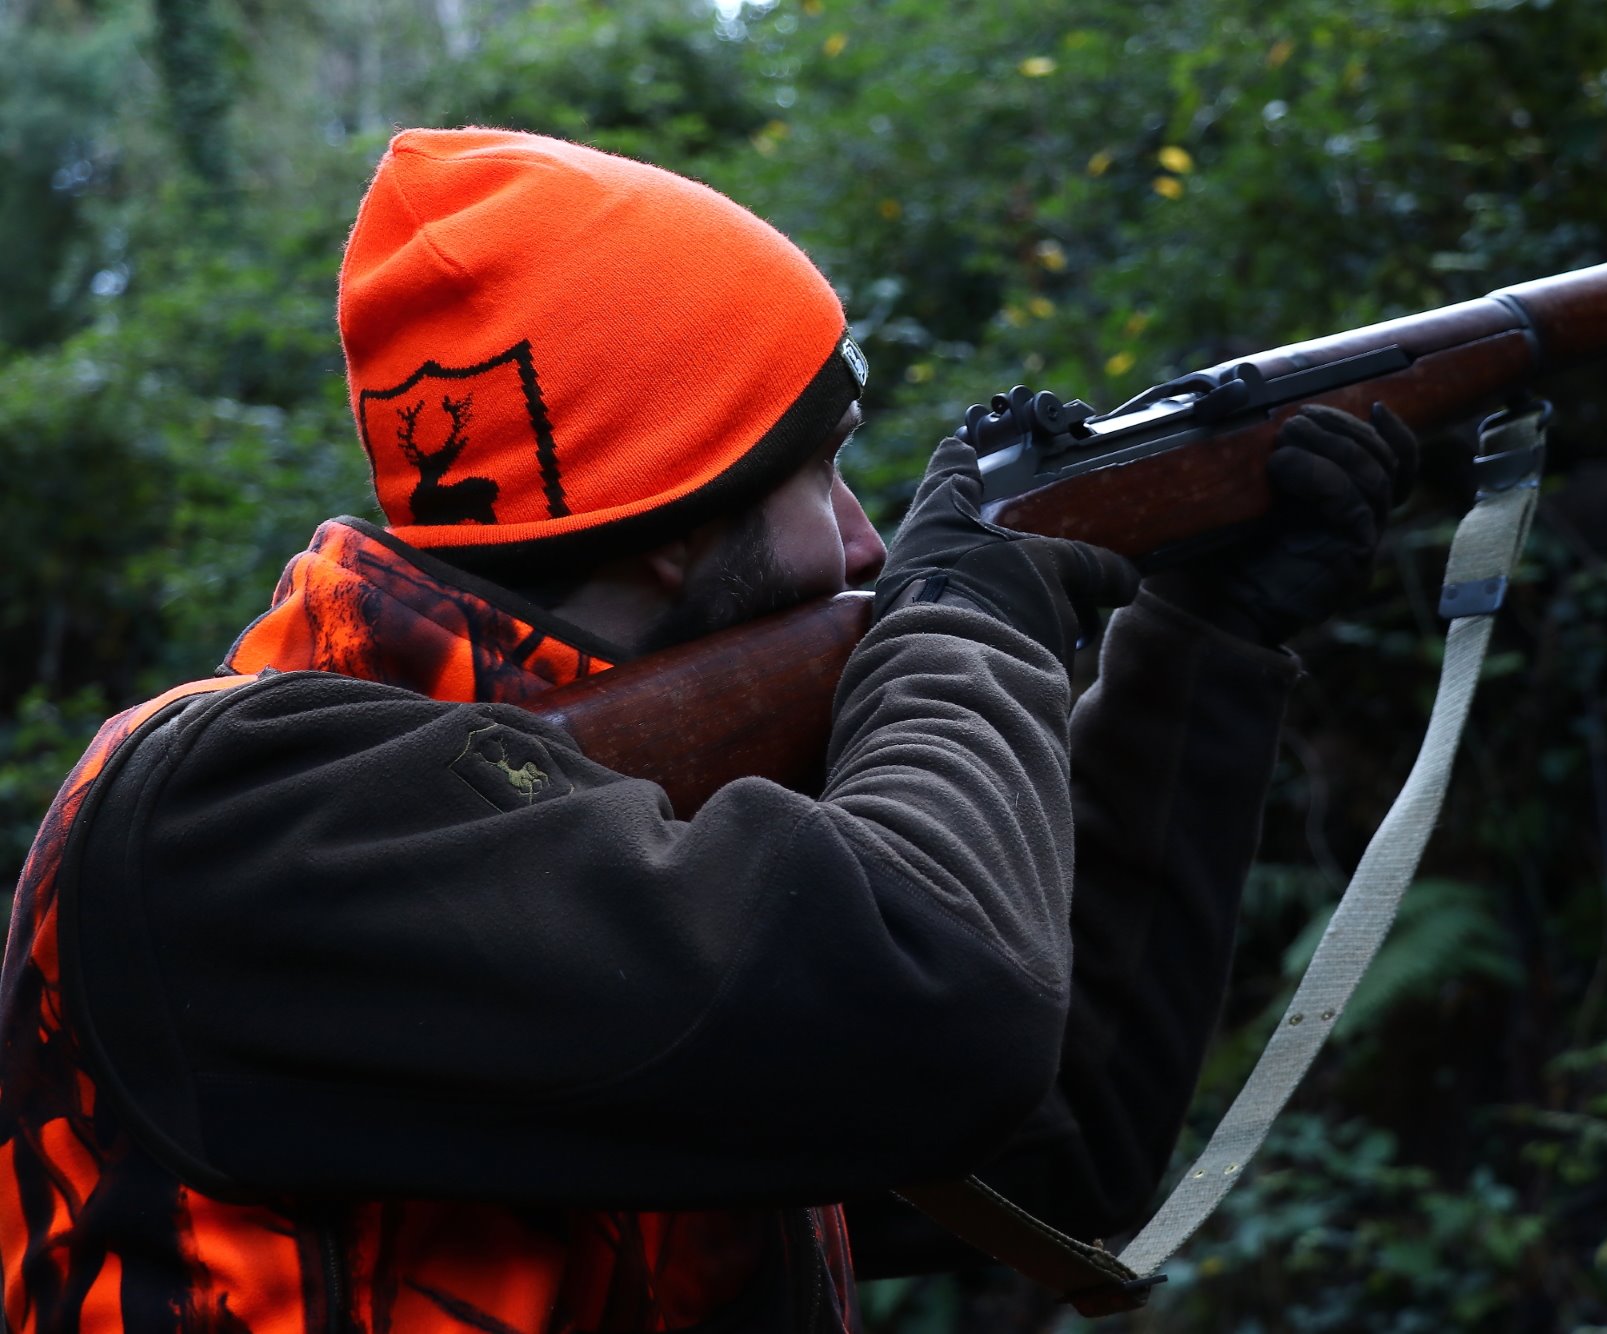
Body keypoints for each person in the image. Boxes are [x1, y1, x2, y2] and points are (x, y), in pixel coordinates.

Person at [0, 128, 1413, 1331]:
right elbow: (946, 1008)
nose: (865, 542)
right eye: (821, 478)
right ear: (680, 519)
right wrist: (972, 599)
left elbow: (1058, 1142)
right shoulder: (225, 813)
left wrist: (1203, 644)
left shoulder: (577, 838)